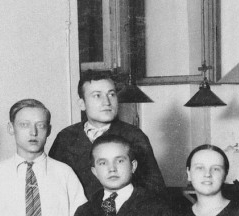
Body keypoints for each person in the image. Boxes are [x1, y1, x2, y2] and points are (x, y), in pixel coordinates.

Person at [49, 70, 166, 200]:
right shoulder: (66, 137)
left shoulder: (133, 136)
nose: (107, 102)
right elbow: (53, 186)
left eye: (111, 94)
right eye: (97, 95)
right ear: (82, 104)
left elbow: (155, 189)